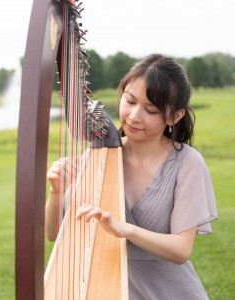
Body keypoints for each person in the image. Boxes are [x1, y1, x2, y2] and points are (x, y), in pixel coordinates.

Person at [46, 54, 217, 299]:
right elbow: (54, 234)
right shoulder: (97, 156)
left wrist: (125, 229)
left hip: (168, 292)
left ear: (174, 116)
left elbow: (181, 250)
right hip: (107, 287)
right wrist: (56, 190)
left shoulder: (187, 163)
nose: (135, 116)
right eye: (130, 100)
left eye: (151, 110)